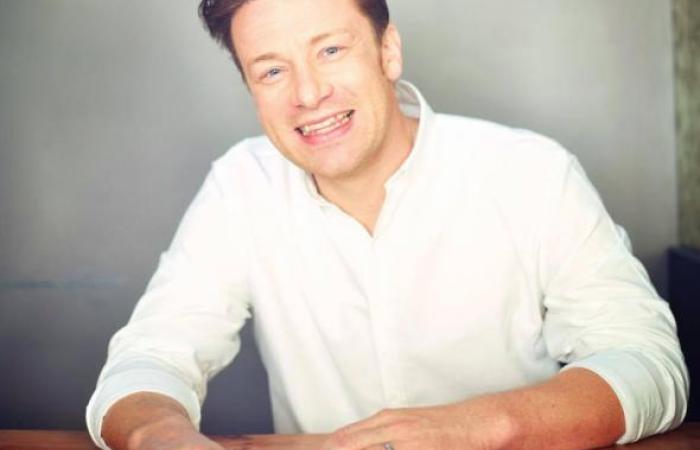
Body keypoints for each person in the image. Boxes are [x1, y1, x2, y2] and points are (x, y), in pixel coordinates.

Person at [86, 0, 689, 449]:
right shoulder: (240, 185)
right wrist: (158, 434)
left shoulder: (530, 172)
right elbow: (152, 355)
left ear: (388, 51)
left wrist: (481, 426)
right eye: (271, 71)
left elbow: (648, 364)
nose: (308, 94)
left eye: (330, 50)